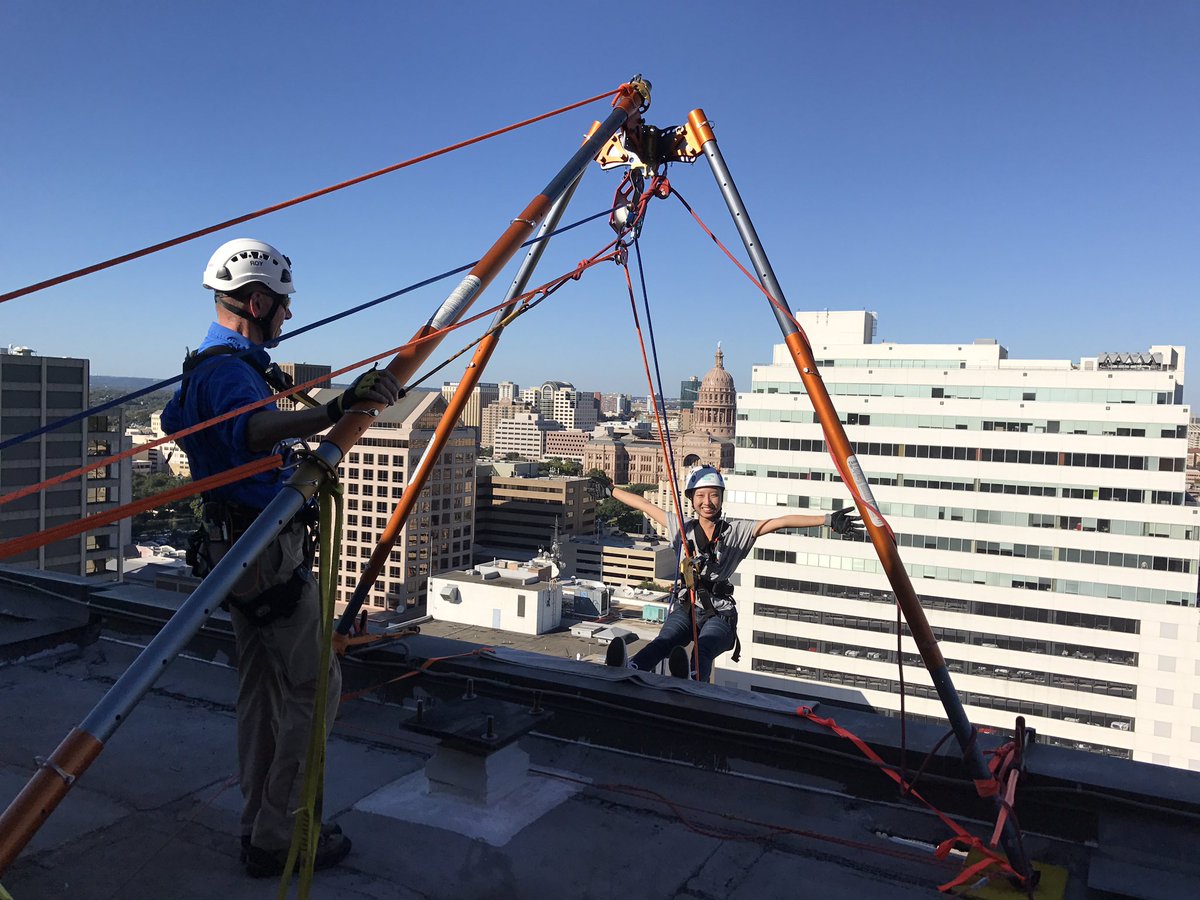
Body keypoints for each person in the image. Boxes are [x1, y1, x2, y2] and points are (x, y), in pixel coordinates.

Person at [161, 238, 403, 877]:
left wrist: (233, 454)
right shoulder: (228, 373)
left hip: (235, 548)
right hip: (263, 549)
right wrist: (334, 410)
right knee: (315, 688)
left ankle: (261, 824)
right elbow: (252, 428)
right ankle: (284, 833)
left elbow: (174, 420)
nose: (288, 315)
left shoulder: (207, 365)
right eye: (283, 304)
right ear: (257, 302)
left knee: (264, 692)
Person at [598, 466, 863, 681]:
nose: (707, 502)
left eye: (713, 495)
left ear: (721, 498)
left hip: (720, 613)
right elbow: (645, 505)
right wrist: (611, 490)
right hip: (687, 606)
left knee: (701, 652)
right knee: (664, 641)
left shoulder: (737, 531)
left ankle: (692, 679)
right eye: (701, 496)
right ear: (692, 499)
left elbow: (779, 522)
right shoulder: (682, 527)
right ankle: (630, 668)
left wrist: (826, 520)